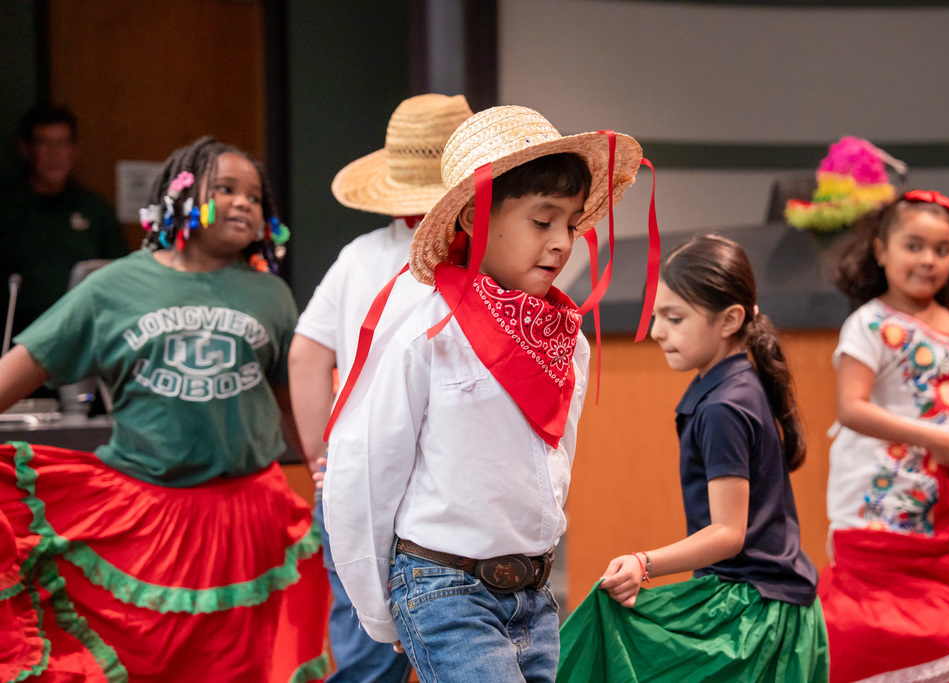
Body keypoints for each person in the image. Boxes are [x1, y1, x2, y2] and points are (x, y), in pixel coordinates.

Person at [322, 105, 644, 682]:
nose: (562, 242)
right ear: (475, 216)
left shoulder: (564, 338)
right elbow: (368, 468)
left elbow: (555, 459)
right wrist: (381, 606)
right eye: (542, 221)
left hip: (533, 593)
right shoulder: (427, 325)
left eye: (571, 224)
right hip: (445, 586)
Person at [0, 136, 328, 682]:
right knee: (143, 663)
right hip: (146, 517)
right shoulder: (112, 287)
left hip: (253, 518)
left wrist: (331, 477)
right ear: (180, 196)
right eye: (226, 189)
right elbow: (24, 366)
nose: (245, 203)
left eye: (255, 196)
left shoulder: (271, 295)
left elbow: (293, 401)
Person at [557, 234, 829, 682]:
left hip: (755, 616)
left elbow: (728, 532)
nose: (656, 331)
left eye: (674, 317)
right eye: (656, 315)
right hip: (769, 602)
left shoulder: (724, 405)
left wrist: (643, 563)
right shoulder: (736, 383)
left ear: (730, 320)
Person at [289, 93, 472, 683]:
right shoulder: (484, 262)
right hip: (444, 489)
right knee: (467, 646)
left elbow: (305, 355)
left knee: (366, 658)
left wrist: (322, 456)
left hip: (357, 481)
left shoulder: (357, 256)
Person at [819, 190, 949, 682]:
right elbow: (852, 407)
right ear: (881, 251)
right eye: (914, 246)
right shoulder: (869, 324)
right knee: (888, 611)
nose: (928, 260)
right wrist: (931, 438)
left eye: (942, 250)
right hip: (883, 498)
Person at [0, 103, 128, 339]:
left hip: (83, 341)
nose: (54, 154)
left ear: (74, 149)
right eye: (43, 143)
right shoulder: (6, 209)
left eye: (62, 143)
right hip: (18, 340)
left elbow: (120, 278)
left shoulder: (96, 210)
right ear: (25, 148)